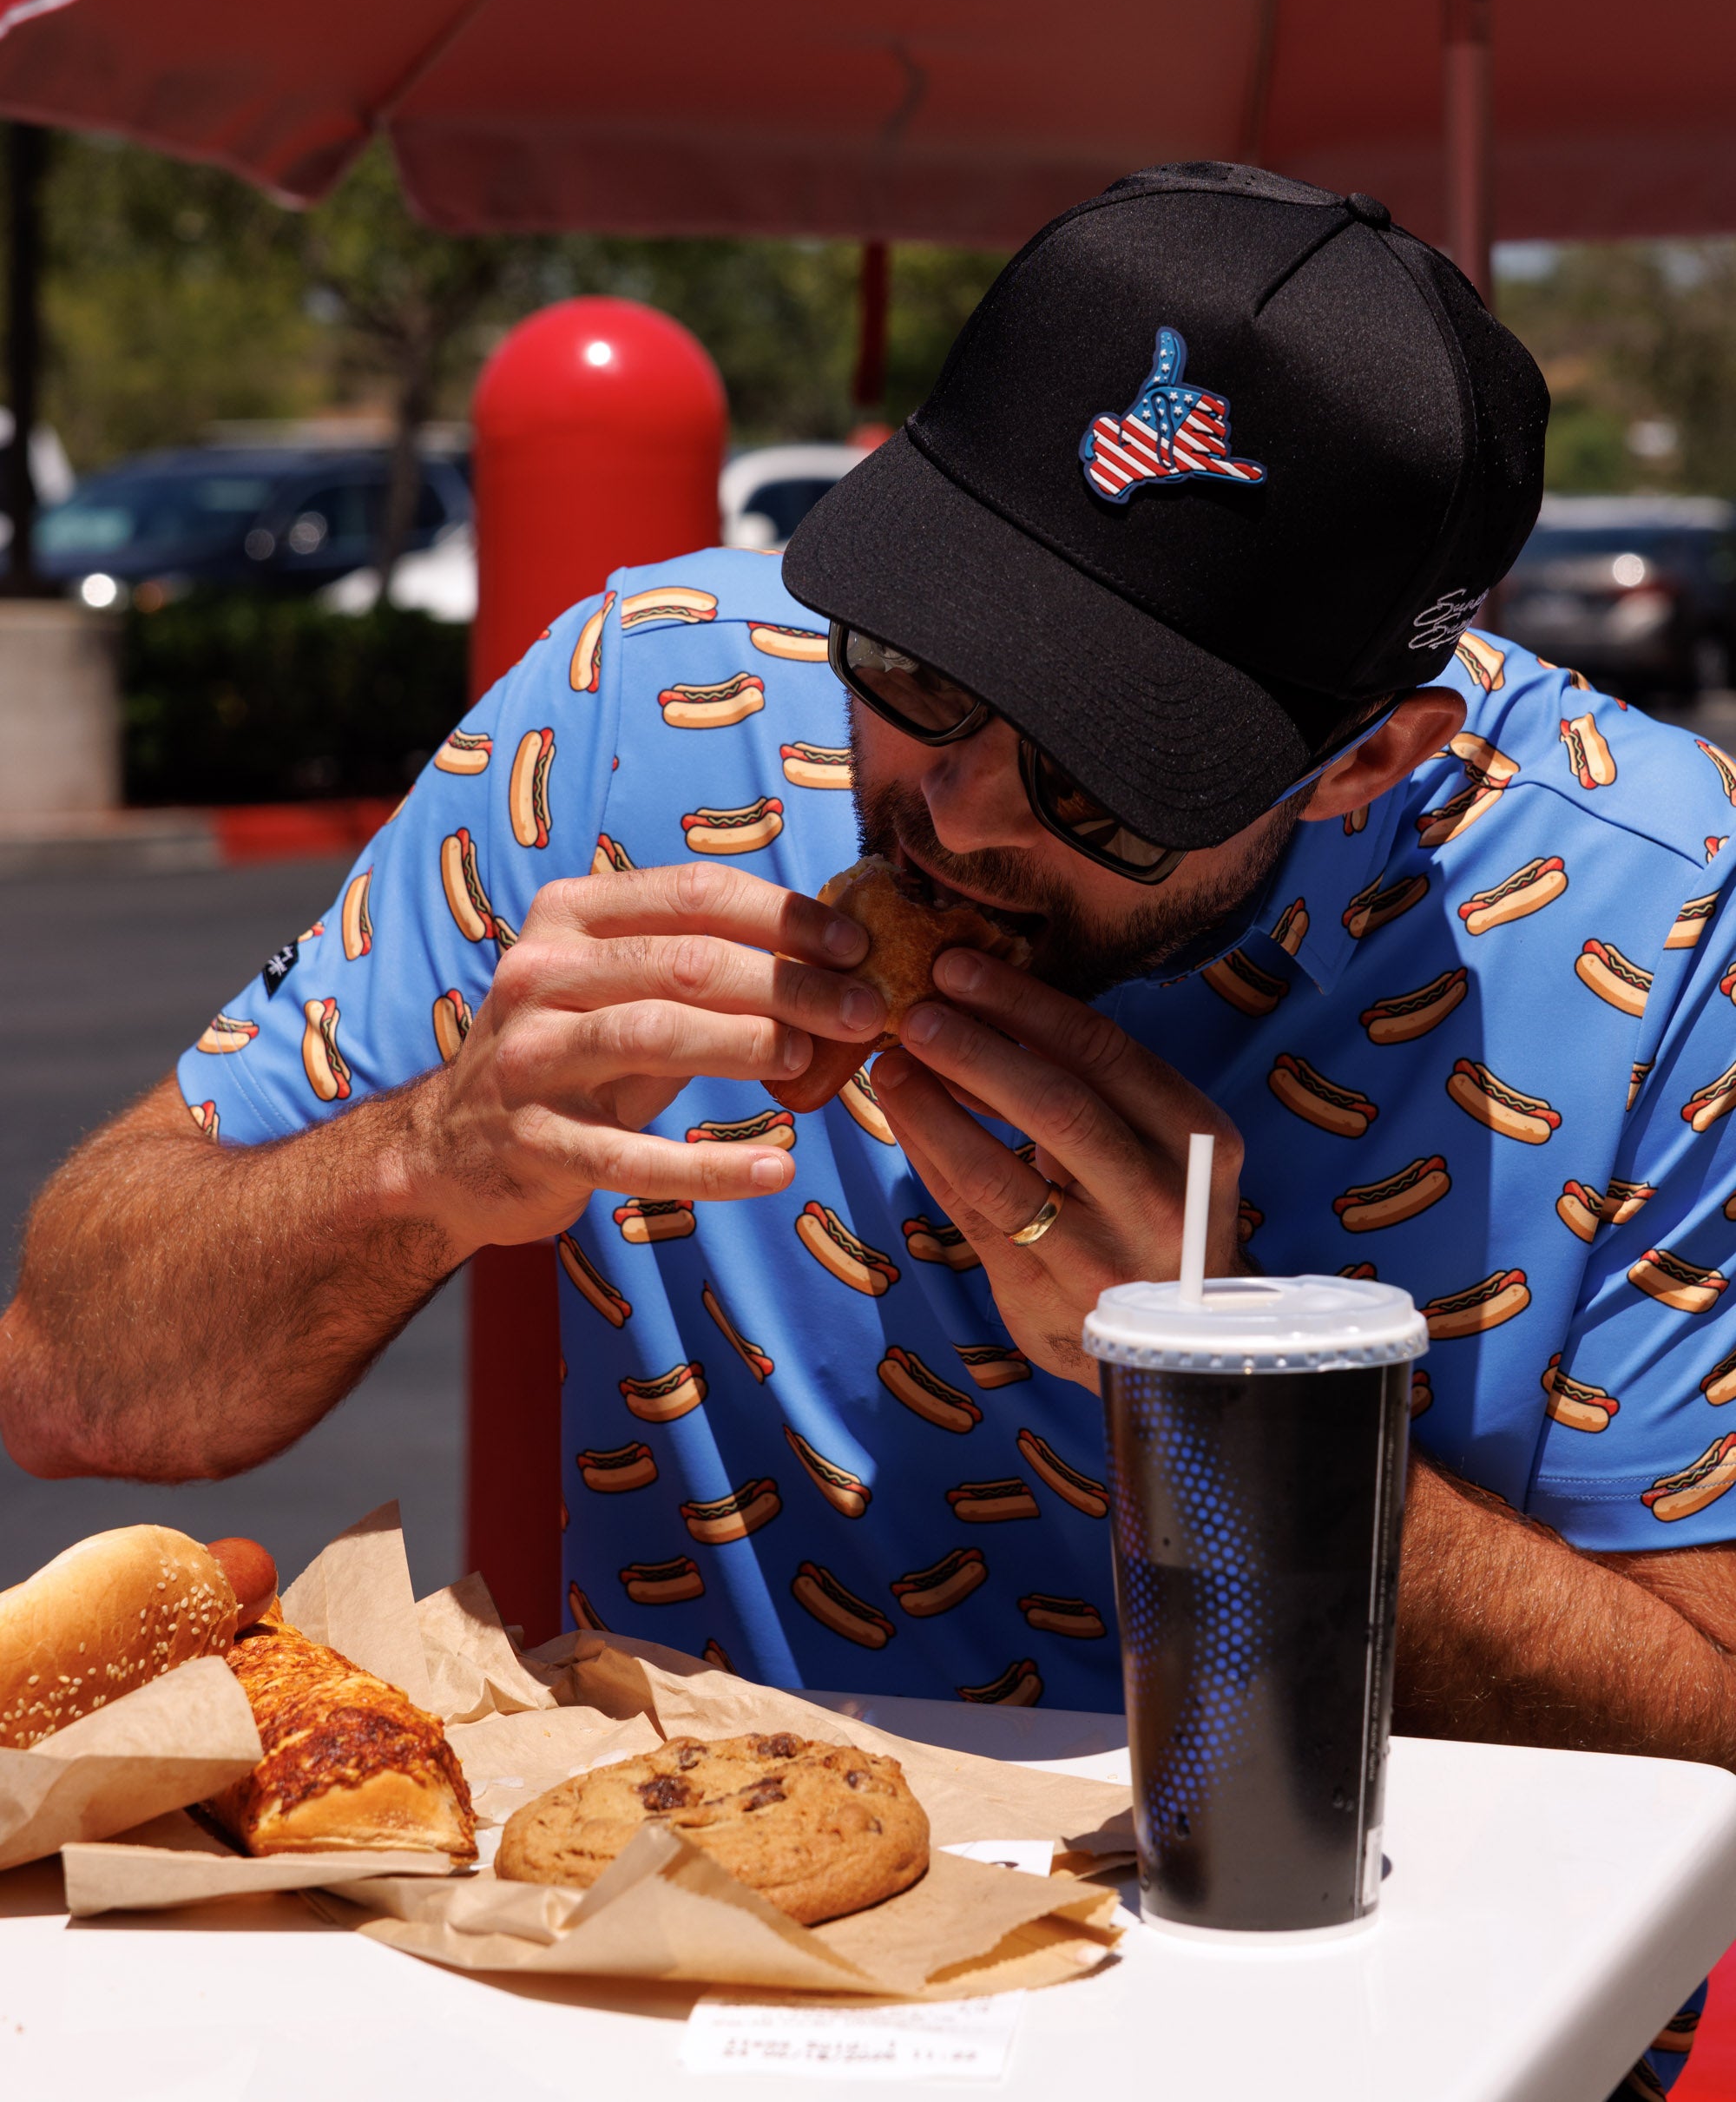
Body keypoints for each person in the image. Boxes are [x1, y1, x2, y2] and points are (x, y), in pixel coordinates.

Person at [0, 162, 1730, 2089]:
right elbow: (73, 1380)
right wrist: (428, 1156)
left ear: (1372, 757)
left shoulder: (1662, 919)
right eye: (919, 661)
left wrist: (1221, 1397)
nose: (959, 809)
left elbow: (1710, 1731)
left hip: (1375, 2005)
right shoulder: (642, 709)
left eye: (1108, 773)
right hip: (675, 1986)